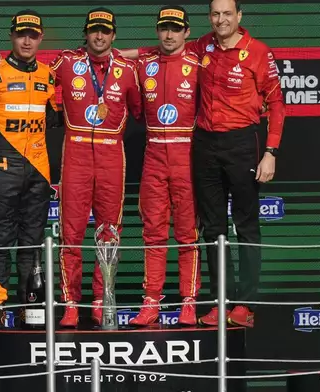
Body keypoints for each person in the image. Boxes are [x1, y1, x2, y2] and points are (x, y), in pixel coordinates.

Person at [125, 0, 286, 328]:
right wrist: (110, 53)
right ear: (209, 18)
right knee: (212, 228)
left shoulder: (258, 51)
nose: (221, 19)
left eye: (228, 14)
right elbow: (155, 49)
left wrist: (271, 151)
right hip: (205, 144)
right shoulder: (202, 46)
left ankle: (246, 304)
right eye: (215, 14)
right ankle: (220, 303)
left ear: (239, 16)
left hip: (244, 142)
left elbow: (277, 102)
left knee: (246, 226)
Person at [0, 9, 61, 329]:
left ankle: (27, 306)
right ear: (12, 36)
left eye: (33, 35)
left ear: (40, 38)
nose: (26, 40)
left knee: (32, 240)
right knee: (1, 238)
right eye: (21, 34)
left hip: (39, 171)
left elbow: (56, 117)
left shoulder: (49, 75)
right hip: (1, 169)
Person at [51, 8, 142, 328]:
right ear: (86, 33)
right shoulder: (65, 63)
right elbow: (30, 72)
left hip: (111, 158)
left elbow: (139, 110)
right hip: (75, 156)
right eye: (93, 31)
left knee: (109, 234)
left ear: (114, 35)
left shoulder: (129, 69)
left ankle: (103, 301)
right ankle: (71, 303)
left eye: (105, 31)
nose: (99, 36)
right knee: (71, 235)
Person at [128, 5, 201, 327]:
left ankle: (189, 302)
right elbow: (107, 56)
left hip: (188, 154)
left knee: (187, 234)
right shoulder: (143, 63)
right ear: (157, 31)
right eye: (164, 28)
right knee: (153, 233)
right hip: (154, 153)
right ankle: (151, 302)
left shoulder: (199, 63)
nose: (169, 35)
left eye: (175, 28)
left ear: (187, 31)